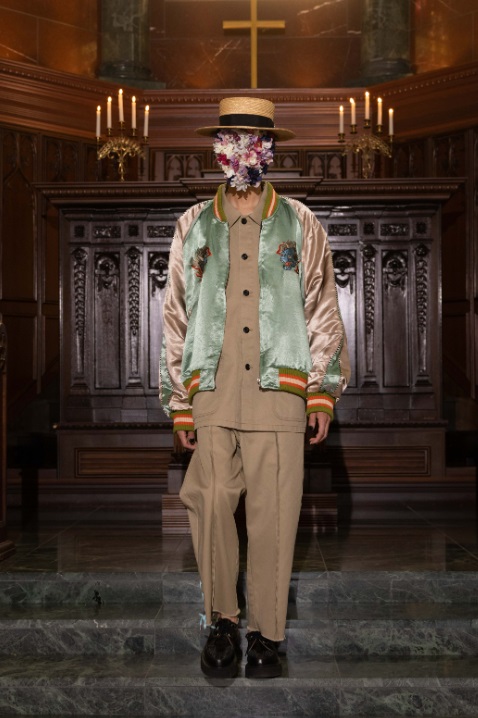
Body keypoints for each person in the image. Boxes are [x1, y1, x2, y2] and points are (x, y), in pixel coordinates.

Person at [160, 97, 350, 679]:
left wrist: (322, 390)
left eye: (255, 139)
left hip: (280, 389)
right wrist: (180, 401)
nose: (244, 149)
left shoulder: (300, 221)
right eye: (234, 138)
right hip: (212, 390)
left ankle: (266, 633)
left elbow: (322, 307)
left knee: (274, 511)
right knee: (211, 501)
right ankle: (222, 622)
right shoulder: (194, 224)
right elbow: (176, 316)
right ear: (220, 149)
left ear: (268, 149)